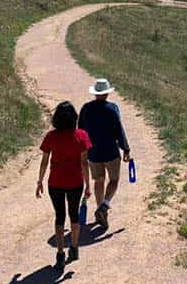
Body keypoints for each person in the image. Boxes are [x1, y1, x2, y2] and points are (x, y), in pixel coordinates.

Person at [37, 101, 91, 272]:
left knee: (59, 216)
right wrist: (88, 185)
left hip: (56, 182)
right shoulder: (81, 135)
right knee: (74, 215)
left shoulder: (51, 136)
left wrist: (39, 181)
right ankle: (74, 247)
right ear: (74, 118)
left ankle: (60, 252)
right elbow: (84, 163)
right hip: (75, 181)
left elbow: (44, 161)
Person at [79, 77, 131, 228]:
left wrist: (81, 149)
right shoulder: (112, 108)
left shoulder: (85, 108)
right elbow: (119, 130)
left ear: (95, 93)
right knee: (113, 180)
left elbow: (80, 130)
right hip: (110, 151)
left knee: (99, 180)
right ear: (107, 93)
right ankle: (104, 206)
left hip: (93, 152)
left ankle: (99, 209)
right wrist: (125, 148)